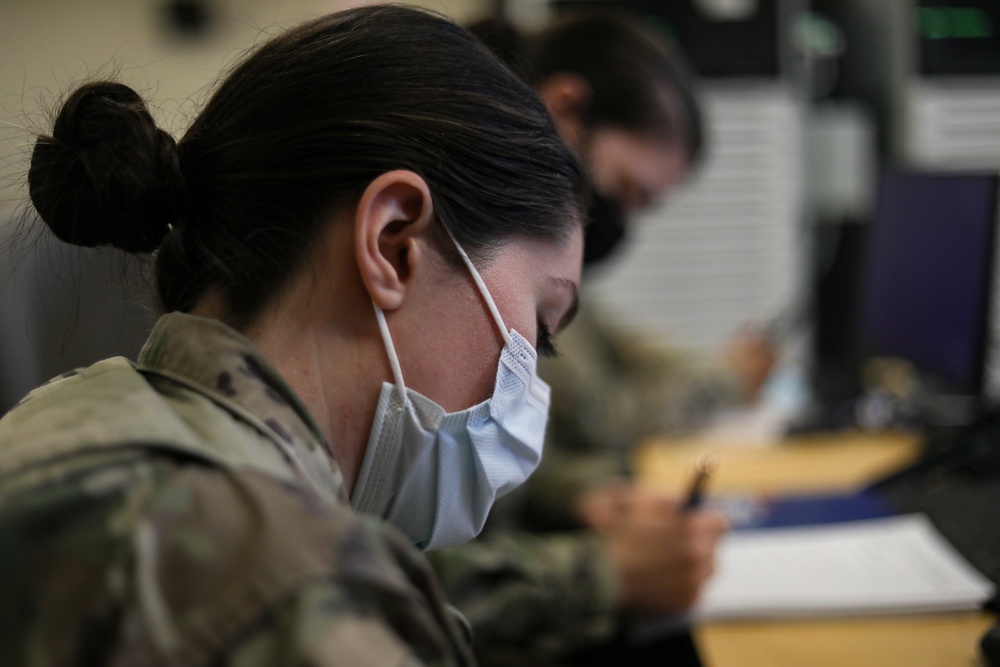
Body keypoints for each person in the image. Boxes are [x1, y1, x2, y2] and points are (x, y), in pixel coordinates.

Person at [0, 6, 587, 665]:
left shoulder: (58, 419)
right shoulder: (298, 594)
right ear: (394, 246)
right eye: (540, 325)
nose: (533, 386)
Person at [427, 14, 770, 666]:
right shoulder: (473, 266)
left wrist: (575, 493)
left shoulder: (518, 264)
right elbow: (387, 579)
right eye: (627, 191)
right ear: (565, 109)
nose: (620, 222)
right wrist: (602, 571)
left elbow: (479, 482)